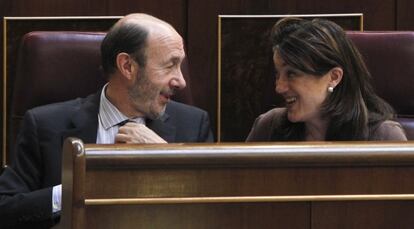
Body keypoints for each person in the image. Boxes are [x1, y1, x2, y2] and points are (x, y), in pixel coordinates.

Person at [0, 13, 213, 228]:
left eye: (180, 65)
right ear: (127, 66)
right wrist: (77, 191)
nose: (181, 81)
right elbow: (5, 210)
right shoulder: (45, 125)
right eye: (170, 65)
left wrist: (164, 160)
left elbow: (216, 211)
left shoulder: (193, 125)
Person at [246, 17, 407, 141]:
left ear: (334, 77)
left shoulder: (384, 138)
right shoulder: (268, 127)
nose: (279, 87)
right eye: (277, 74)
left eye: (292, 73)